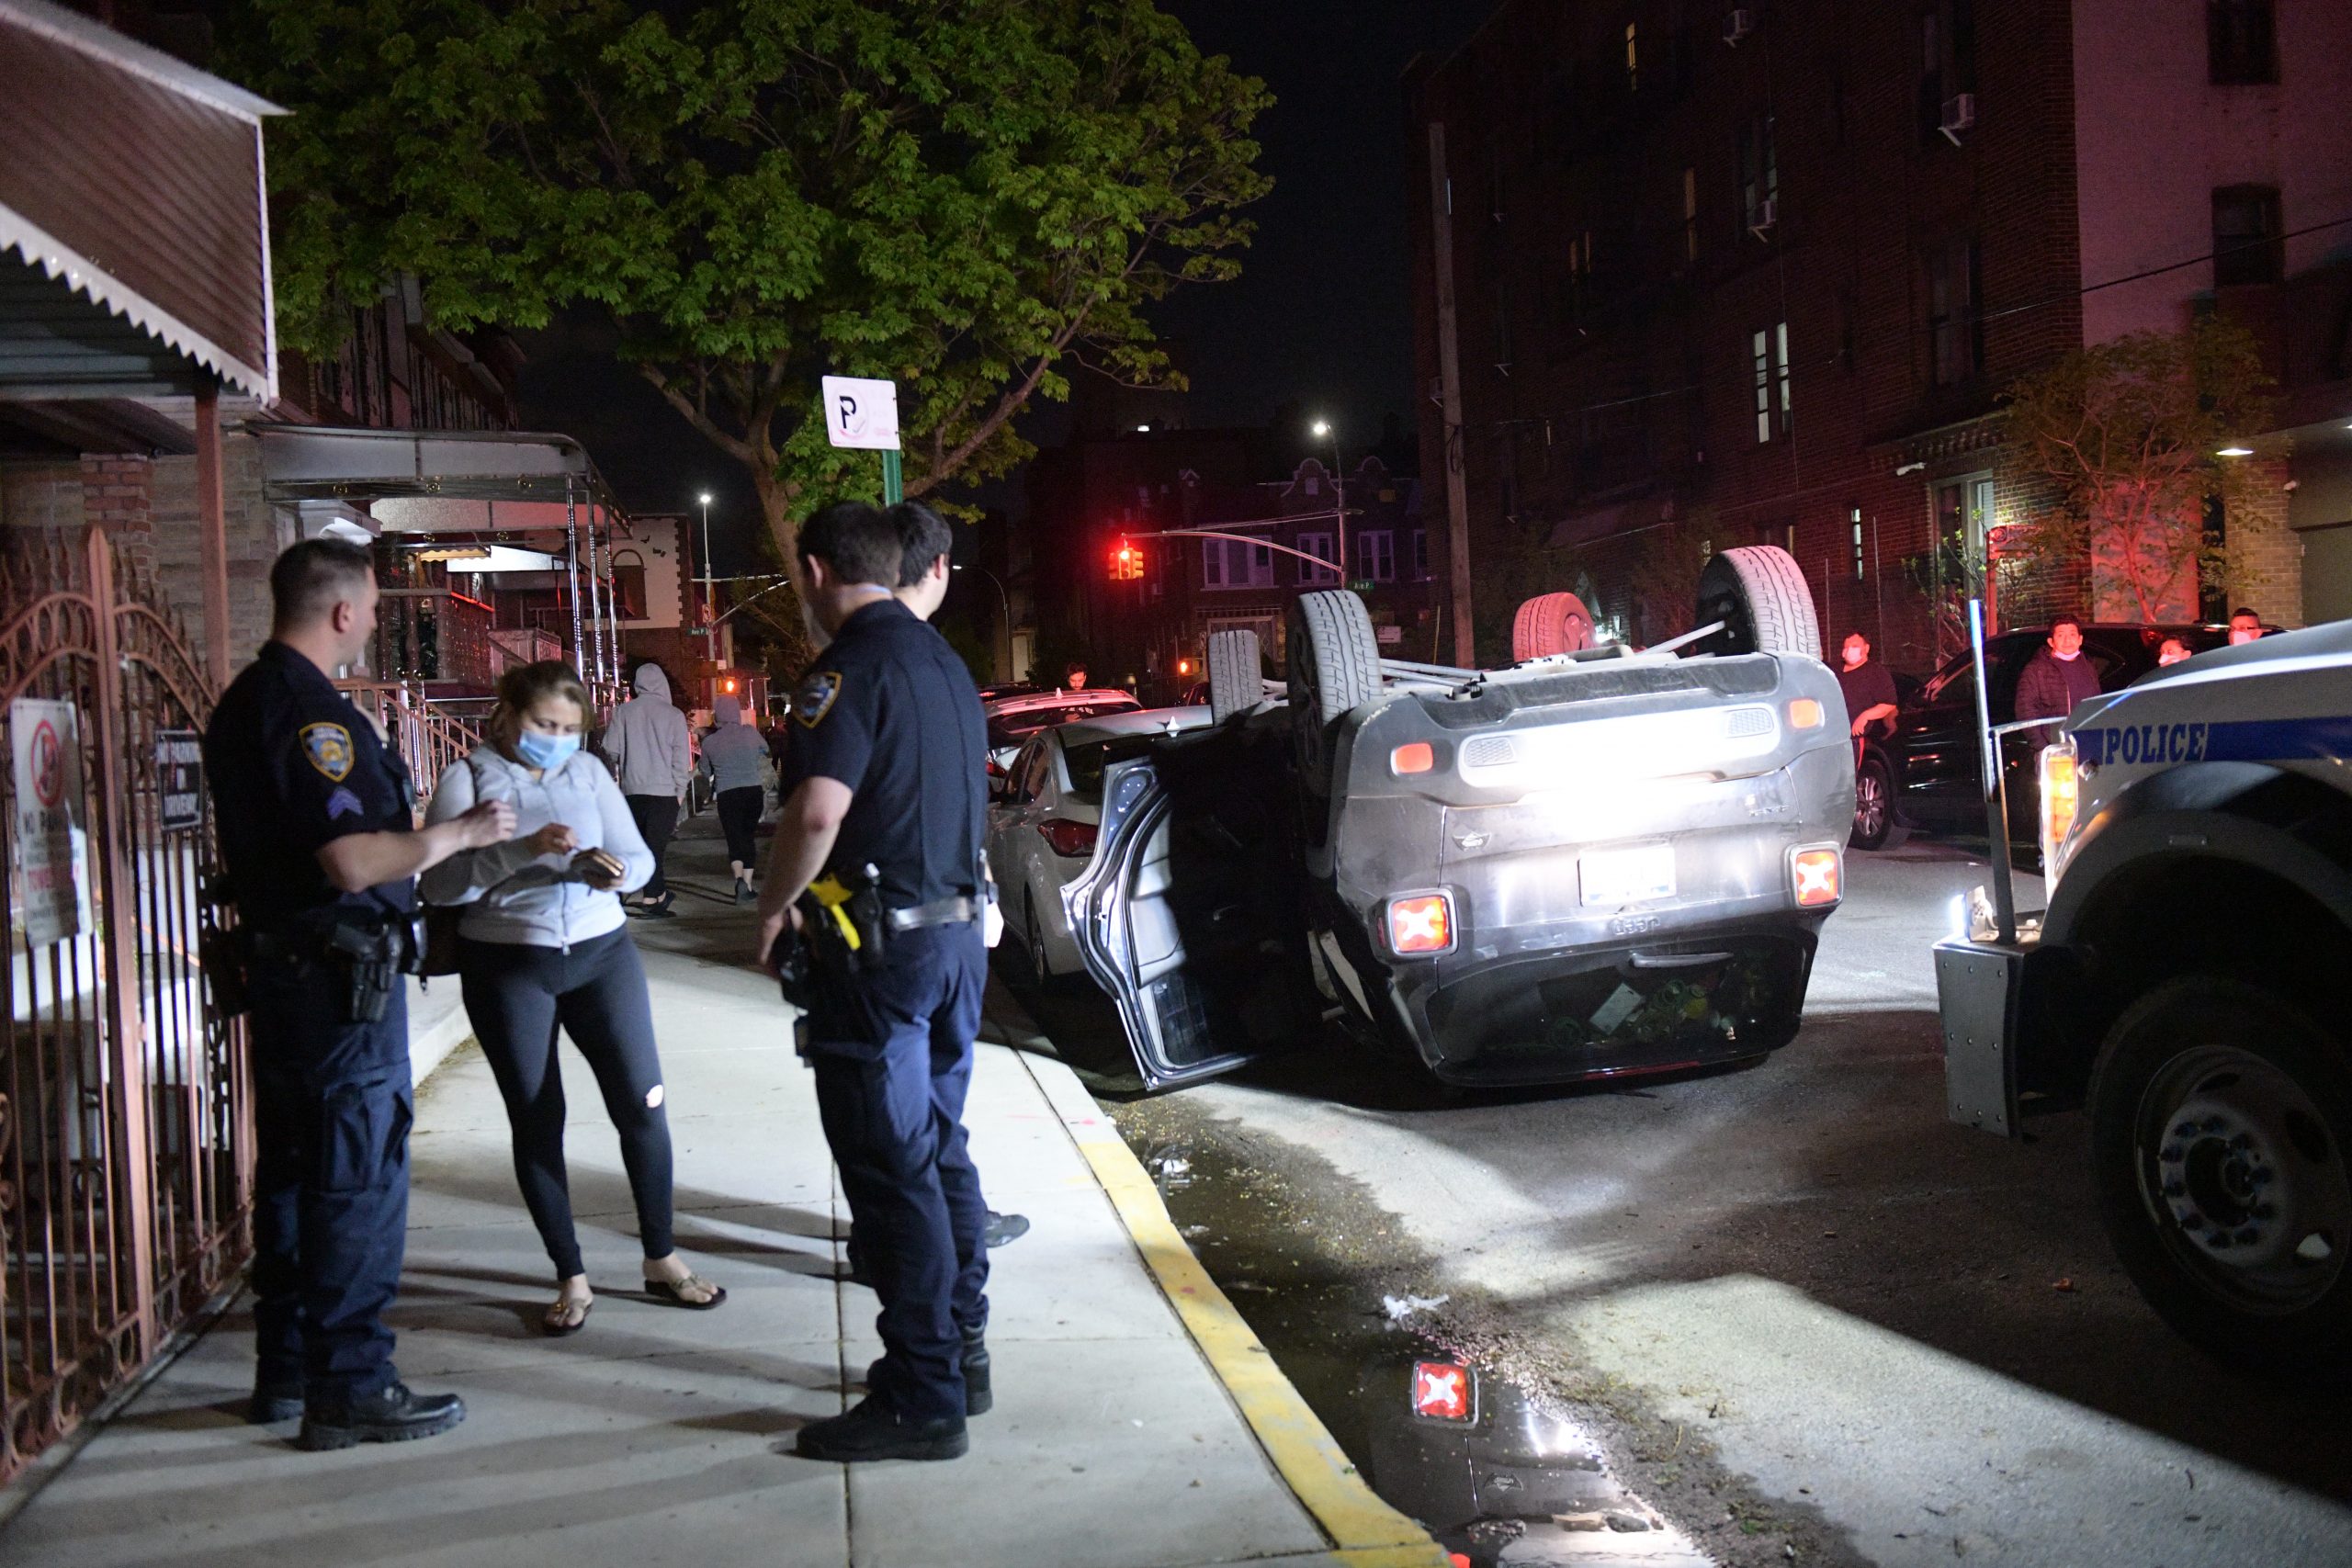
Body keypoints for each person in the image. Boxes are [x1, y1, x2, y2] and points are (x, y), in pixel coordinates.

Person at [202, 538, 515, 1450]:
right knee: (356, 1178)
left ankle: (287, 1372)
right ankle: (352, 1381)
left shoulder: (249, 700)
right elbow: (348, 859)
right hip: (338, 980)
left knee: (298, 1173)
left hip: (291, 974)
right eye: (375, 606)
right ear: (342, 612)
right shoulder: (310, 714)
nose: (378, 620)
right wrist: (453, 837)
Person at [757, 500, 993, 1463]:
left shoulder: (845, 673)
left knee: (892, 1175)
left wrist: (770, 908)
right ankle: (964, 1349)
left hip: (880, 961)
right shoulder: (943, 664)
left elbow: (817, 815)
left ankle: (922, 1394)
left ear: (816, 571)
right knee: (938, 1150)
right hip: (956, 945)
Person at [421, 660, 726, 1335]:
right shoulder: (466, 777)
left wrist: (611, 871)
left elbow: (639, 856)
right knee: (537, 1120)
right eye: (543, 725)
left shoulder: (587, 773)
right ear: (508, 714)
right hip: (507, 963)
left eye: (569, 728)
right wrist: (522, 851)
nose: (557, 739)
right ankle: (571, 1273)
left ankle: (661, 1255)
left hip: (601, 954)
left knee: (643, 1105)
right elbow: (441, 886)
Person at [599, 661, 691, 917]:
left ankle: (653, 892)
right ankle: (652, 897)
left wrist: (630, 759)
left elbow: (611, 748)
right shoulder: (673, 715)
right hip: (665, 792)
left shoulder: (623, 713)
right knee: (656, 847)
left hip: (633, 790)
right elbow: (680, 758)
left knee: (638, 845)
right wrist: (680, 791)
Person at [699, 693, 772, 904]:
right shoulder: (749, 733)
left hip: (727, 793)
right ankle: (747, 886)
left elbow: (705, 770)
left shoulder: (709, 742)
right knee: (748, 837)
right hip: (752, 790)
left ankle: (738, 879)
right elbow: (766, 750)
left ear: (717, 715)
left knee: (734, 838)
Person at [2015, 615, 2101, 728]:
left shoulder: (2089, 667)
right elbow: (2025, 710)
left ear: (2080, 639)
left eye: (2072, 634)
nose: (2067, 640)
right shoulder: (2036, 670)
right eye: (2061, 635)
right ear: (2051, 642)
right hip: (2056, 741)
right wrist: (2043, 744)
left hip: (2087, 738)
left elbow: (2097, 704)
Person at [1835, 632, 1900, 743]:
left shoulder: (1876, 672)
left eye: (1855, 646)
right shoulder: (1834, 670)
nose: (1849, 650)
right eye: (1846, 647)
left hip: (1852, 740)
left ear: (1866, 648)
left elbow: (1888, 704)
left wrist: (1865, 716)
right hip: (1829, 737)